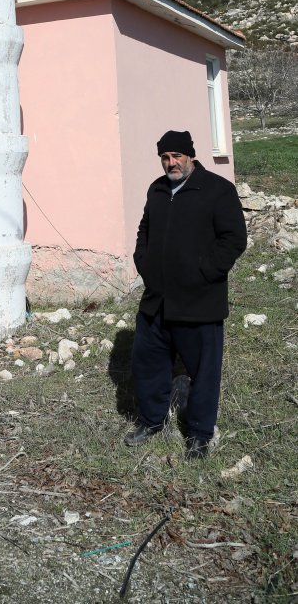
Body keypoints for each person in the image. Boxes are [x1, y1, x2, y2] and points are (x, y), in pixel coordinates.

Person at [127, 129, 247, 459]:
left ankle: (199, 435)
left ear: (190, 156)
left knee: (203, 372)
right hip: (157, 300)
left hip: (199, 302)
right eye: (165, 157)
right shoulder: (158, 189)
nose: (171, 163)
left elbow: (234, 239)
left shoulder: (217, 190)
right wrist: (143, 263)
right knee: (148, 363)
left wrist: (203, 272)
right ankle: (152, 422)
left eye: (177, 156)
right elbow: (144, 229)